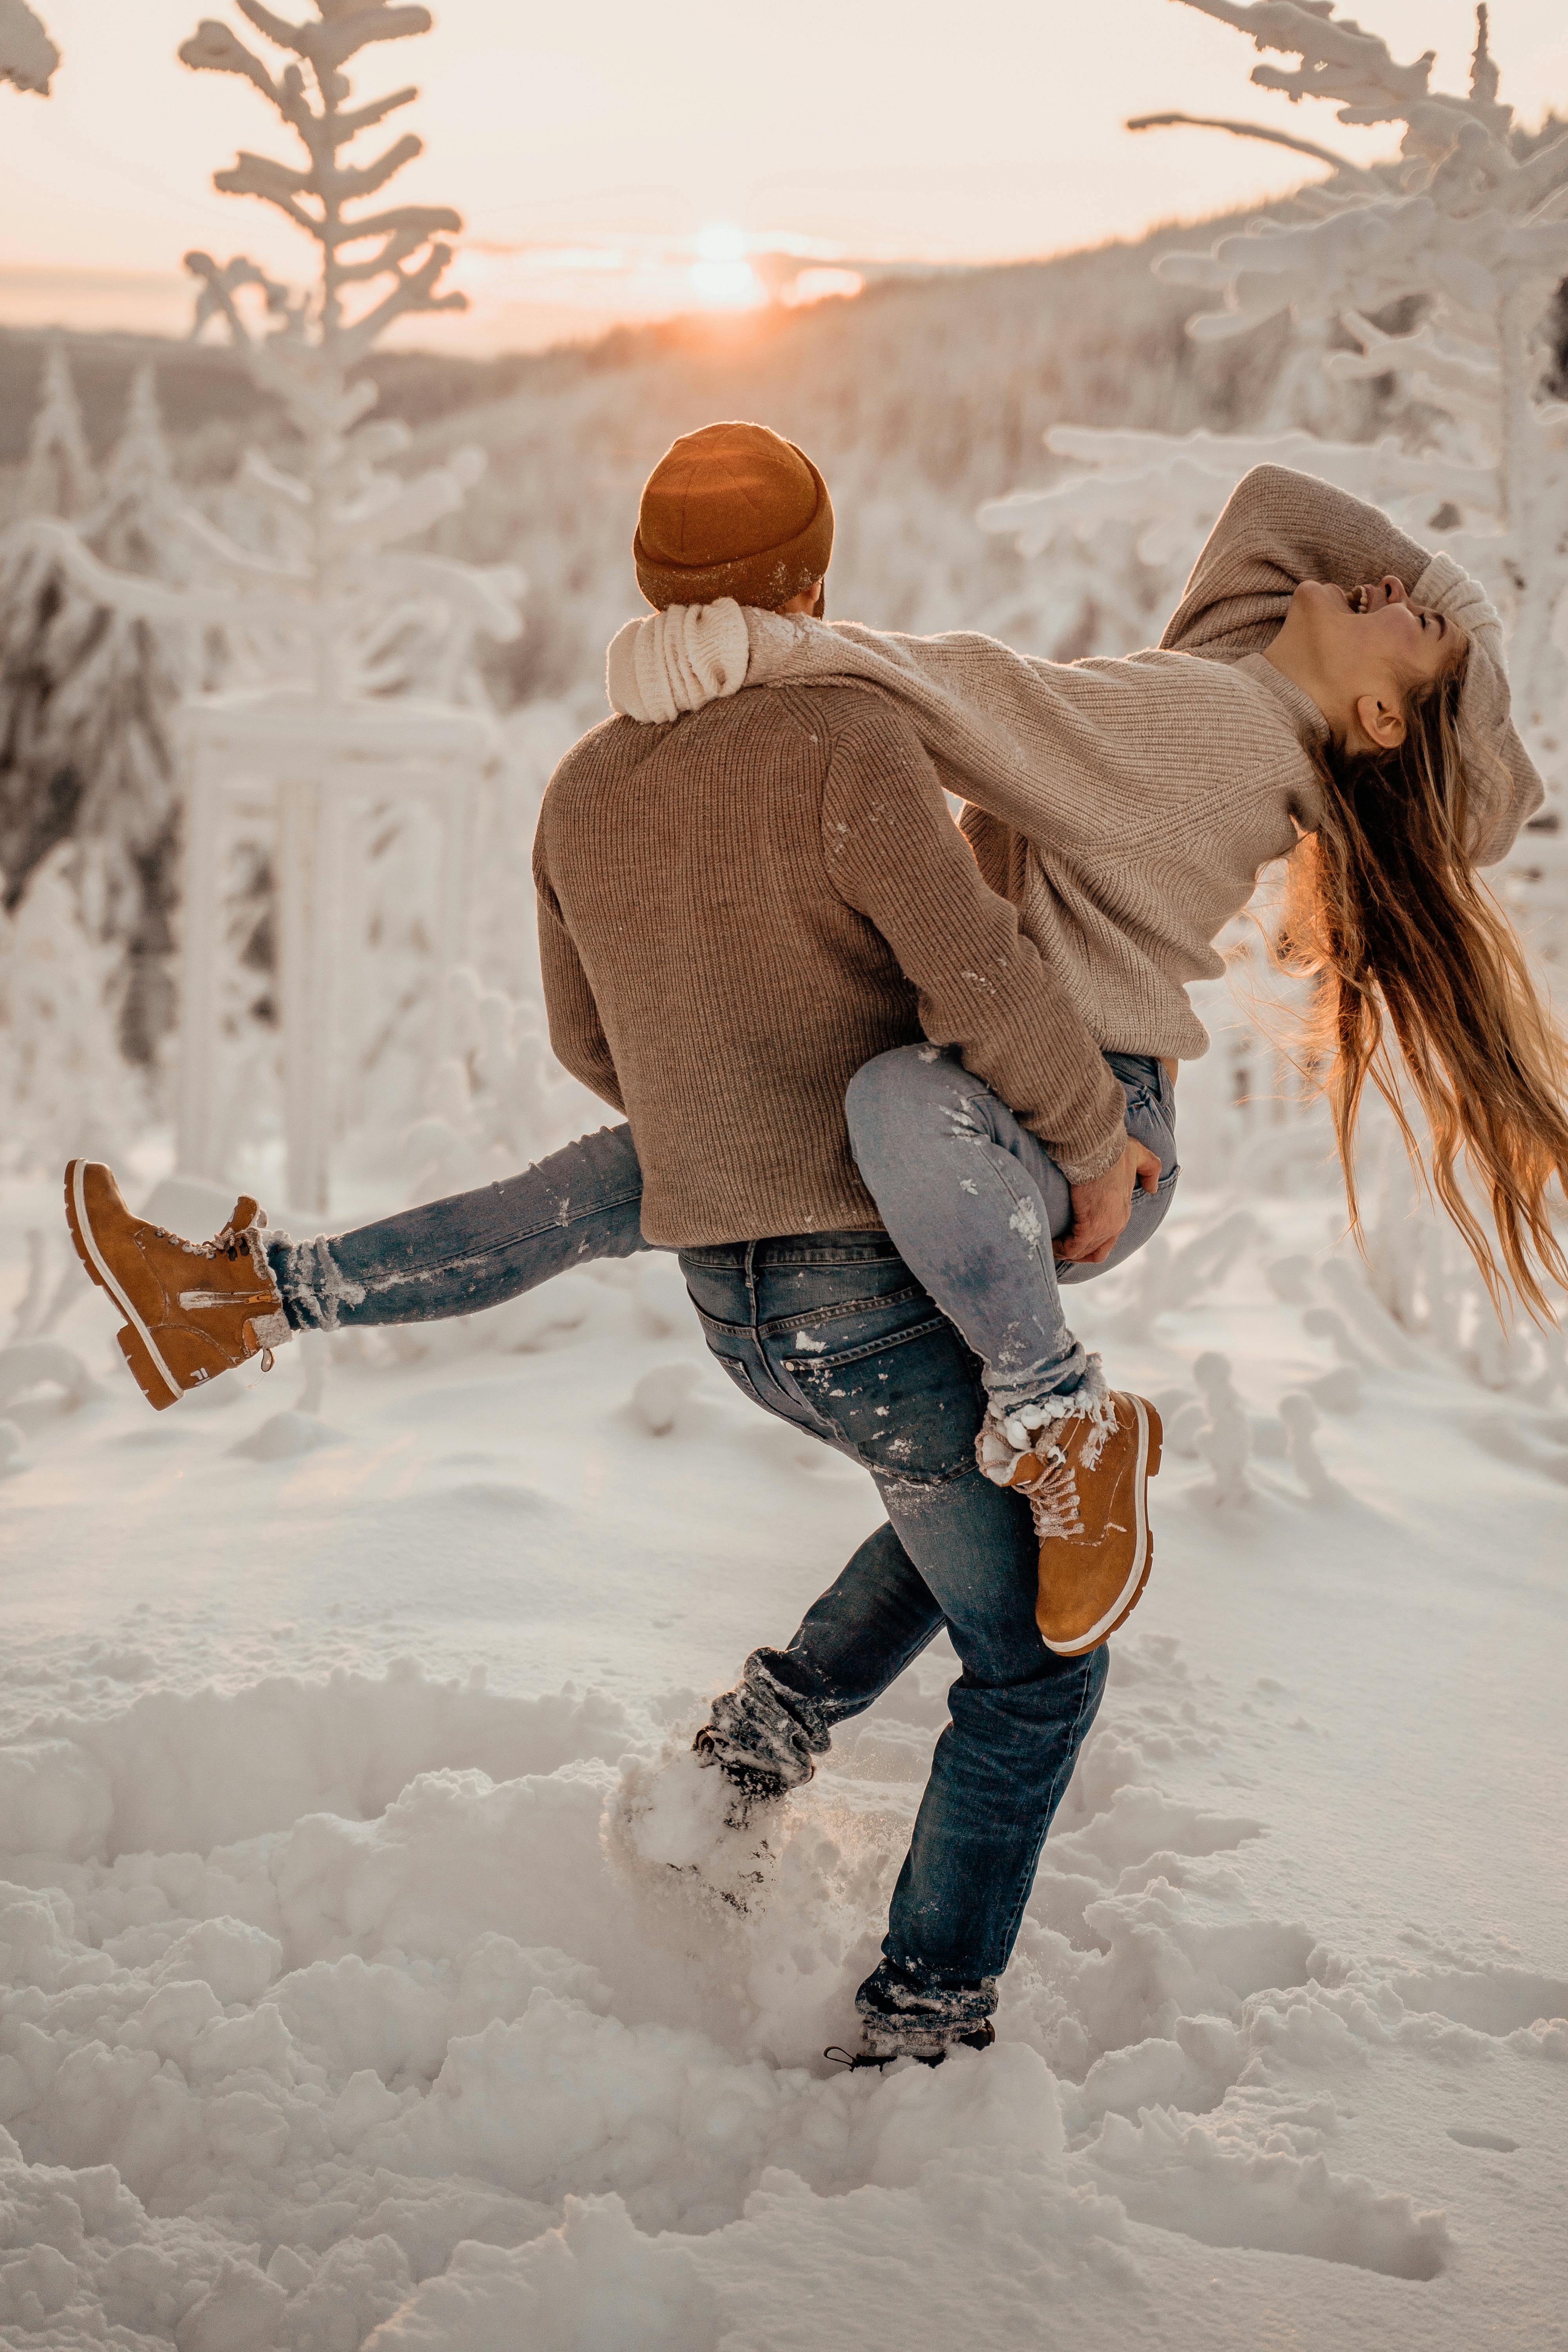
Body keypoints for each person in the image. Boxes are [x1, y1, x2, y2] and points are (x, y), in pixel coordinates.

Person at [62, 426, 1562, 2062]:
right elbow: (975, 973)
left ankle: (257, 1297)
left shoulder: (582, 784)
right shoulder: (863, 735)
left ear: (650, 582)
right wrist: (1084, 1146)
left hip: (746, 1301)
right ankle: (920, 2002)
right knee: (1034, 1653)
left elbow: (597, 1050)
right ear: (808, 584)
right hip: (921, 1251)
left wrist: (737, 1109)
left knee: (612, 1183)